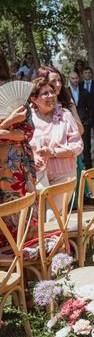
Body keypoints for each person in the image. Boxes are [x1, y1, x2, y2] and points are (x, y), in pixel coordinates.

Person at [29, 78, 83, 218]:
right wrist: (33, 158)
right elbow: (22, 146)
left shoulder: (65, 115)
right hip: (36, 177)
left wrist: (52, 152)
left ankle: (53, 240)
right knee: (34, 218)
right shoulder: (28, 118)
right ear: (34, 99)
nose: (51, 96)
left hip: (63, 175)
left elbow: (78, 146)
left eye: (52, 92)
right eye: (45, 93)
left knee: (50, 217)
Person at [0, 60, 36, 242]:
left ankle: (25, 260)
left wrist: (3, 132)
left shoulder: (15, 94)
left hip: (16, 164)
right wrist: (8, 123)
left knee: (20, 208)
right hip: (9, 160)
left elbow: (27, 132)